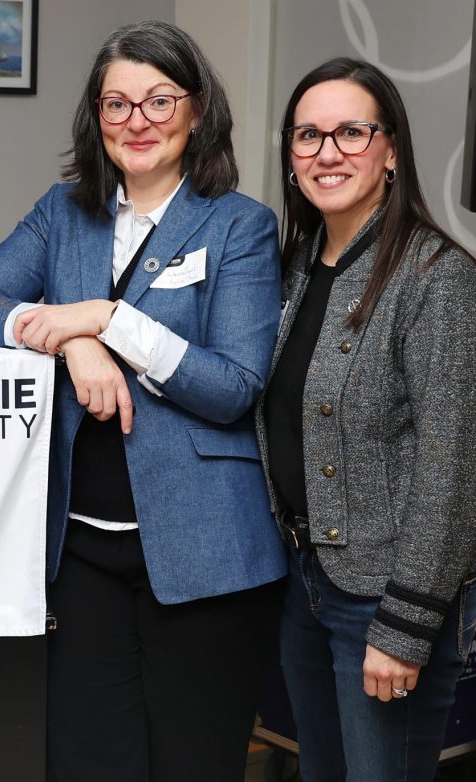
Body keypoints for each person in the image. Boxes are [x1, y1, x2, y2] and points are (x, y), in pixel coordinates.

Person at [0, 19, 285, 782]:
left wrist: (106, 319)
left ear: (197, 111)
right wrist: (69, 342)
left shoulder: (239, 226)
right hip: (83, 551)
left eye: (159, 101)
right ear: (95, 117)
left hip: (206, 556)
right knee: (85, 762)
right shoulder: (64, 213)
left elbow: (232, 386)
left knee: (191, 765)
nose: (137, 122)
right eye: (116, 104)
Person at [258, 58, 476, 782]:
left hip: (382, 600)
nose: (328, 152)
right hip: (306, 582)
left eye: (352, 132)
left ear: (389, 151)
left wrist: (406, 624)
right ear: (290, 158)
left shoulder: (435, 275)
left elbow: (454, 464)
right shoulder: (296, 265)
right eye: (308, 136)